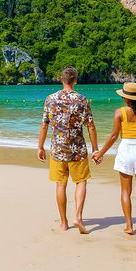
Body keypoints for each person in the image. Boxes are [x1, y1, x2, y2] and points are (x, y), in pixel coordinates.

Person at [92, 82, 136, 235]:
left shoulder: (119, 113)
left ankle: (128, 225)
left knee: (125, 191)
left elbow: (114, 136)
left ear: (125, 98)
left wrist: (100, 153)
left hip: (126, 150)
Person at [38, 66, 99, 234]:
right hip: (77, 149)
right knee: (81, 182)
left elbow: (44, 124)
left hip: (57, 149)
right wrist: (95, 149)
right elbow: (91, 126)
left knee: (61, 185)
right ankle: (78, 217)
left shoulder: (50, 99)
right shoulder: (82, 100)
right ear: (76, 80)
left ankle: (64, 223)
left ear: (61, 79)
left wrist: (40, 146)